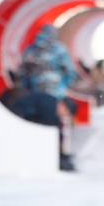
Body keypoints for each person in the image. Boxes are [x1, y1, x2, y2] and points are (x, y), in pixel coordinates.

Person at [17, 25, 79, 171]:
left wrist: (31, 88)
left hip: (36, 95)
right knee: (55, 126)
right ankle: (58, 157)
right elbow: (70, 71)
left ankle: (38, 155)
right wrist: (62, 85)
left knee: (36, 126)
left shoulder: (31, 50)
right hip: (54, 94)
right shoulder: (59, 49)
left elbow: (22, 74)